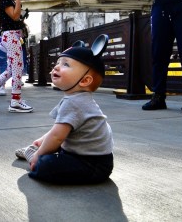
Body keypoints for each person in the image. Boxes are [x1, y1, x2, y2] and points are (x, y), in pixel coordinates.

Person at [15, 35, 114, 184]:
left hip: (93, 164)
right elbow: (58, 131)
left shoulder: (74, 103)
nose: (56, 67)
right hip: (85, 155)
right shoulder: (75, 99)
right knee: (51, 149)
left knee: (46, 165)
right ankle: (35, 151)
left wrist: (39, 155)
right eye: (57, 63)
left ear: (85, 80)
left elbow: (57, 137)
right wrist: (40, 142)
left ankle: (33, 155)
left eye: (66, 65)